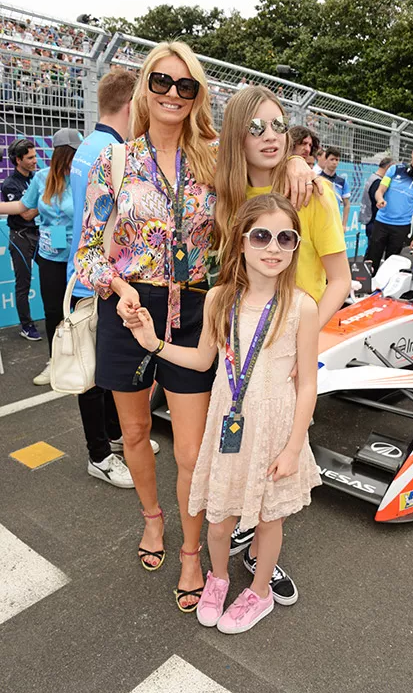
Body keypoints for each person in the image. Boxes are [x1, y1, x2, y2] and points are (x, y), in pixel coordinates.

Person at [75, 42, 317, 613]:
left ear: (197, 95)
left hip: (195, 309)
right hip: (128, 307)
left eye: (186, 86)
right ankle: (151, 519)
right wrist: (119, 288)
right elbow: (88, 253)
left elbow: (266, 164)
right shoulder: (115, 161)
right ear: (144, 88)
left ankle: (190, 552)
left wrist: (298, 160)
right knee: (135, 432)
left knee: (189, 451)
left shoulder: (212, 157)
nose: (172, 94)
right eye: (161, 81)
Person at [131, 193, 321, 634]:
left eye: (285, 238)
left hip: (276, 429)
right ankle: (217, 578)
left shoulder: (302, 306)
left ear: (295, 246)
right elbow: (203, 361)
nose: (273, 247)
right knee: (218, 521)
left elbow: (308, 384)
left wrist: (294, 448)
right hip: (227, 426)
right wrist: (153, 344)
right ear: (241, 241)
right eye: (261, 236)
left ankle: (259, 592)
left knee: (269, 520)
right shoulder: (218, 298)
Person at [214, 86, 350, 604]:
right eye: (255, 128)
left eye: (278, 126)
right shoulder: (227, 196)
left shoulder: (312, 192)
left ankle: (260, 558)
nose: (270, 137)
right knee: (242, 444)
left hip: (291, 350)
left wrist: (302, 340)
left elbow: (339, 280)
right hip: (241, 353)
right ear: (236, 137)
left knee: (281, 454)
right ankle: (246, 531)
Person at [67, 69, 155, 490]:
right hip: (101, 281)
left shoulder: (88, 146)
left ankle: (115, 436)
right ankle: (99, 455)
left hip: (93, 277)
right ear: (132, 105)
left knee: (103, 375)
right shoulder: (113, 153)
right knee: (93, 376)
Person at [0, 128, 81, 385]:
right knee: (53, 311)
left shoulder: (84, 176)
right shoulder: (42, 178)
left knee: (82, 311)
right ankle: (55, 361)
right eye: (72, 154)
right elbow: (22, 206)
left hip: (79, 257)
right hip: (50, 257)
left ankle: (82, 361)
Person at [1, 139, 41, 340]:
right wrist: (46, 202)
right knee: (23, 284)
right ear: (18, 160)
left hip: (41, 234)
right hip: (21, 237)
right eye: (30, 158)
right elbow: (25, 214)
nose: (35, 161)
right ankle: (26, 325)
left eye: (35, 156)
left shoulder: (36, 178)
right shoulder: (10, 184)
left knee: (53, 275)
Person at [372, 144, 413, 268]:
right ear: (412, 153)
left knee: (392, 265)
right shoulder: (394, 169)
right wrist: (380, 199)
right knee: (371, 261)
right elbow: (380, 190)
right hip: (381, 222)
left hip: (401, 227)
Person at [358, 157, 393, 258]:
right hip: (373, 220)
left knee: (372, 248)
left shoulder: (372, 178)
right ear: (388, 167)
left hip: (370, 218)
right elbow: (378, 202)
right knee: (373, 250)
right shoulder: (378, 182)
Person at [319, 147, 351, 229]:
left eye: (337, 160)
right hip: (319, 220)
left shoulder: (342, 182)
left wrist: (344, 225)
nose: (334, 162)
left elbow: (347, 204)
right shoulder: (317, 179)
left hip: (335, 223)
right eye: (332, 159)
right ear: (325, 160)